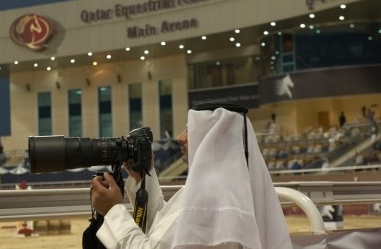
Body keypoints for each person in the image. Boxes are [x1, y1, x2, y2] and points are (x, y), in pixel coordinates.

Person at [90, 103, 292, 249]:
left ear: (214, 139)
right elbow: (164, 233)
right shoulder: (222, 189)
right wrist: (142, 178)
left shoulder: (210, 197)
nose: (180, 137)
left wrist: (112, 211)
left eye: (190, 130)